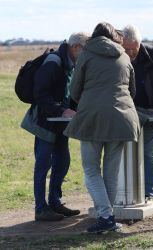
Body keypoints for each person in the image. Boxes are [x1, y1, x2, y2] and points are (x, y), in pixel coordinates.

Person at [64, 22, 140, 233]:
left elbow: (74, 89)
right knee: (111, 171)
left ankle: (105, 216)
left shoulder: (86, 55)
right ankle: (108, 216)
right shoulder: (124, 56)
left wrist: (89, 102)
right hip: (122, 119)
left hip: (92, 118)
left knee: (90, 169)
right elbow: (132, 90)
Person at [21, 32, 90, 221]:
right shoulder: (53, 62)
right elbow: (40, 94)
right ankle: (40, 209)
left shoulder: (71, 63)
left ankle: (55, 202)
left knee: (63, 161)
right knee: (43, 164)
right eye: (86, 50)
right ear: (76, 47)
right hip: (45, 122)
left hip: (60, 123)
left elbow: (69, 93)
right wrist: (61, 111)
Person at [122, 25, 153, 201]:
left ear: (139, 43)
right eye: (126, 49)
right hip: (125, 115)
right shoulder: (117, 57)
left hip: (151, 114)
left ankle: (147, 193)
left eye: (133, 48)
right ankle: (125, 194)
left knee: (149, 154)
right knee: (124, 155)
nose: (130, 53)